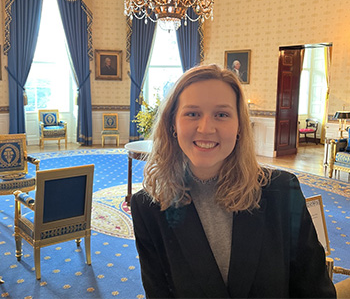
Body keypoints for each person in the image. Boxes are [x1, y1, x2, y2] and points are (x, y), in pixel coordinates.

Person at [131, 64, 335, 298]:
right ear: (172, 125)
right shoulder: (148, 207)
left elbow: (315, 290)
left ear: (239, 126)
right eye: (192, 113)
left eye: (221, 114)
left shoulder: (282, 191)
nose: (206, 128)